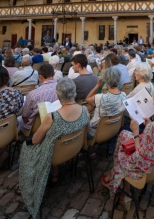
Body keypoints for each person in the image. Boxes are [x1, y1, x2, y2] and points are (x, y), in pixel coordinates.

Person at [101, 86, 154, 211]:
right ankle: (124, 189)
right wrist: (149, 125)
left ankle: (115, 181)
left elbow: (140, 155)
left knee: (122, 148)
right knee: (123, 135)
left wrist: (136, 132)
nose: (152, 104)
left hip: (147, 164)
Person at [19, 78, 89, 218]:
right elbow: (87, 130)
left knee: (25, 147)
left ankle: (27, 183)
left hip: (52, 154)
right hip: (73, 149)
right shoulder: (84, 109)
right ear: (74, 93)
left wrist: (28, 142)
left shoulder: (52, 116)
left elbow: (36, 139)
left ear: (57, 96)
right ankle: (55, 174)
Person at [86, 67, 126, 141]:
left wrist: (97, 85)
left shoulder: (100, 98)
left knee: (86, 110)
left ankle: (91, 149)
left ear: (106, 80)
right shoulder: (124, 95)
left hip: (95, 133)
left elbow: (87, 98)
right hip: (114, 129)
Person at [19, 63, 58, 133]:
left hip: (36, 129)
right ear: (54, 73)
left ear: (40, 77)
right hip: (58, 124)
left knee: (18, 120)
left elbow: (25, 117)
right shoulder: (64, 89)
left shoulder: (33, 94)